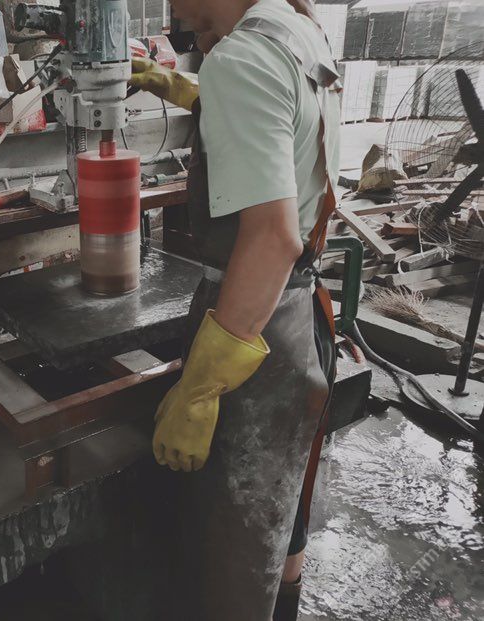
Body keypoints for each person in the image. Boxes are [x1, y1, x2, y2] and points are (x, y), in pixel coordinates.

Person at [129, 0, 341, 619]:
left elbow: (272, 240)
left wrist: (199, 388)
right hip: (301, 314)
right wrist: (182, 88)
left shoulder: (240, 58)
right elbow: (277, 118)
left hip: (255, 329)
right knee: (279, 511)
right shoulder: (299, 30)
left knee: (234, 546)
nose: (173, 11)